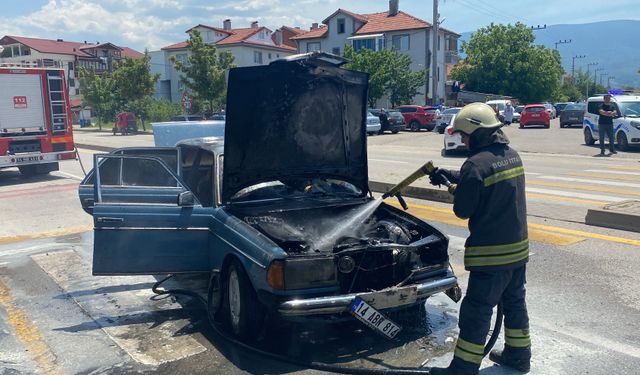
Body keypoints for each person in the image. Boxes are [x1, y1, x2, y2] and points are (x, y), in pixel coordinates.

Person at [428, 102, 531, 375]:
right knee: (514, 303)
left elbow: (464, 209)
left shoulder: (475, 164)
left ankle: (463, 368)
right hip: (518, 250)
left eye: (464, 134)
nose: (462, 139)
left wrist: (452, 186)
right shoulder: (511, 155)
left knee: (476, 310)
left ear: (476, 132)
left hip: (491, 254)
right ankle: (519, 357)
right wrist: (452, 175)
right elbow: (488, 182)